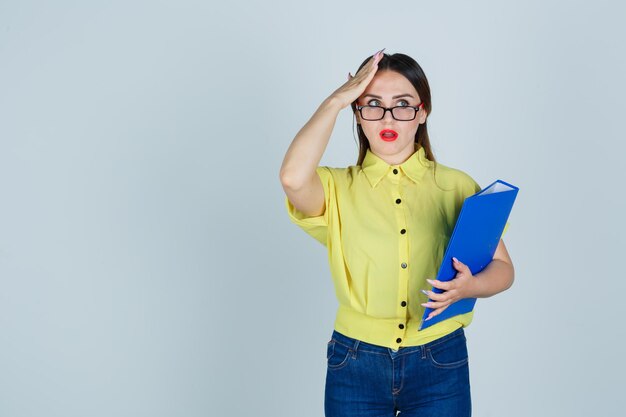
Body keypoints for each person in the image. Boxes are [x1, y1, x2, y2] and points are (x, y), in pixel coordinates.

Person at [279, 49, 514, 417]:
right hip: (355, 361)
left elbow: (503, 269)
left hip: (439, 356)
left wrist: (470, 287)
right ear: (358, 114)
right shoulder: (336, 188)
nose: (387, 117)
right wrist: (337, 100)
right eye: (372, 104)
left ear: (421, 112)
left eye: (402, 104)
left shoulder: (457, 186)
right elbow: (292, 178)